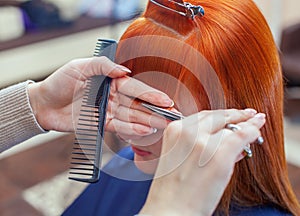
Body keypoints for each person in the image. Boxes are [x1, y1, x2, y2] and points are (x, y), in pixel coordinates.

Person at [63, 0, 300, 215]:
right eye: (127, 96)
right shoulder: (125, 163)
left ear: (234, 119)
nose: (126, 131)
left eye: (158, 111)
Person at [0, 56, 261, 215]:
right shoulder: (124, 162)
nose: (132, 136)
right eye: (132, 103)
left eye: (165, 116)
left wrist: (38, 103)